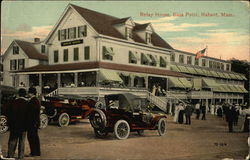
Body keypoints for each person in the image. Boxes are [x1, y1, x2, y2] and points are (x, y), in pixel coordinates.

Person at [7, 88, 28, 159]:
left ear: (18, 94)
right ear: (25, 95)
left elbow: (9, 114)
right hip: (24, 126)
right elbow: (29, 116)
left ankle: (10, 156)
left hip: (14, 126)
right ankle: (21, 157)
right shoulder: (27, 103)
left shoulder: (13, 102)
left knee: (12, 141)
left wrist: (9, 124)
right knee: (22, 142)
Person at [27, 87, 41, 157]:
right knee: (35, 138)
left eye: (29, 92)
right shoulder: (36, 100)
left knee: (31, 138)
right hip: (35, 122)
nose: (28, 94)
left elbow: (31, 113)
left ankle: (33, 153)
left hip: (32, 123)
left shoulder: (33, 101)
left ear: (31, 93)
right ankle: (37, 152)